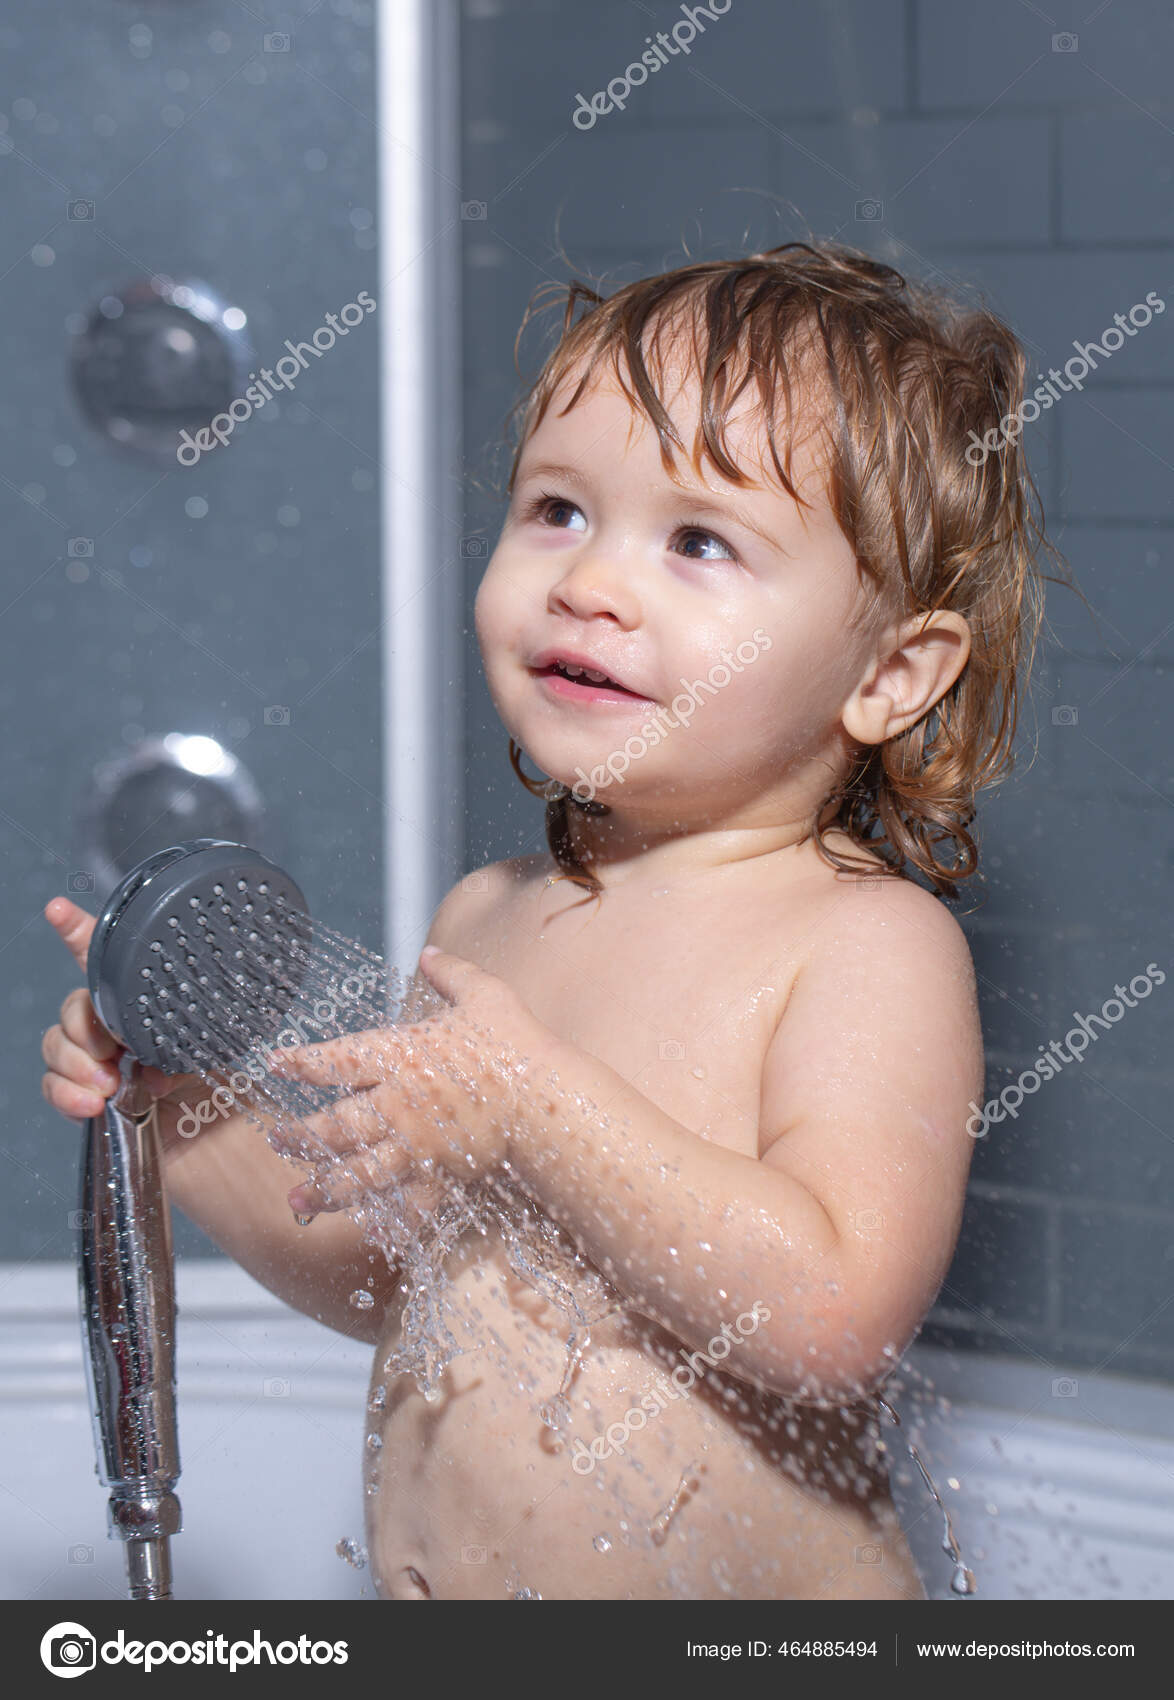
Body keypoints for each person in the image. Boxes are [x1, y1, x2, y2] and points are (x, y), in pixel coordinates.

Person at [43, 240, 1056, 1600]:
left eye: (697, 540)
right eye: (557, 511)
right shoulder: (489, 916)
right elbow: (385, 1277)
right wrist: (178, 1117)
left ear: (889, 673)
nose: (589, 581)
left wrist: (532, 1108)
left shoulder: (859, 944)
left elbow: (827, 1317)